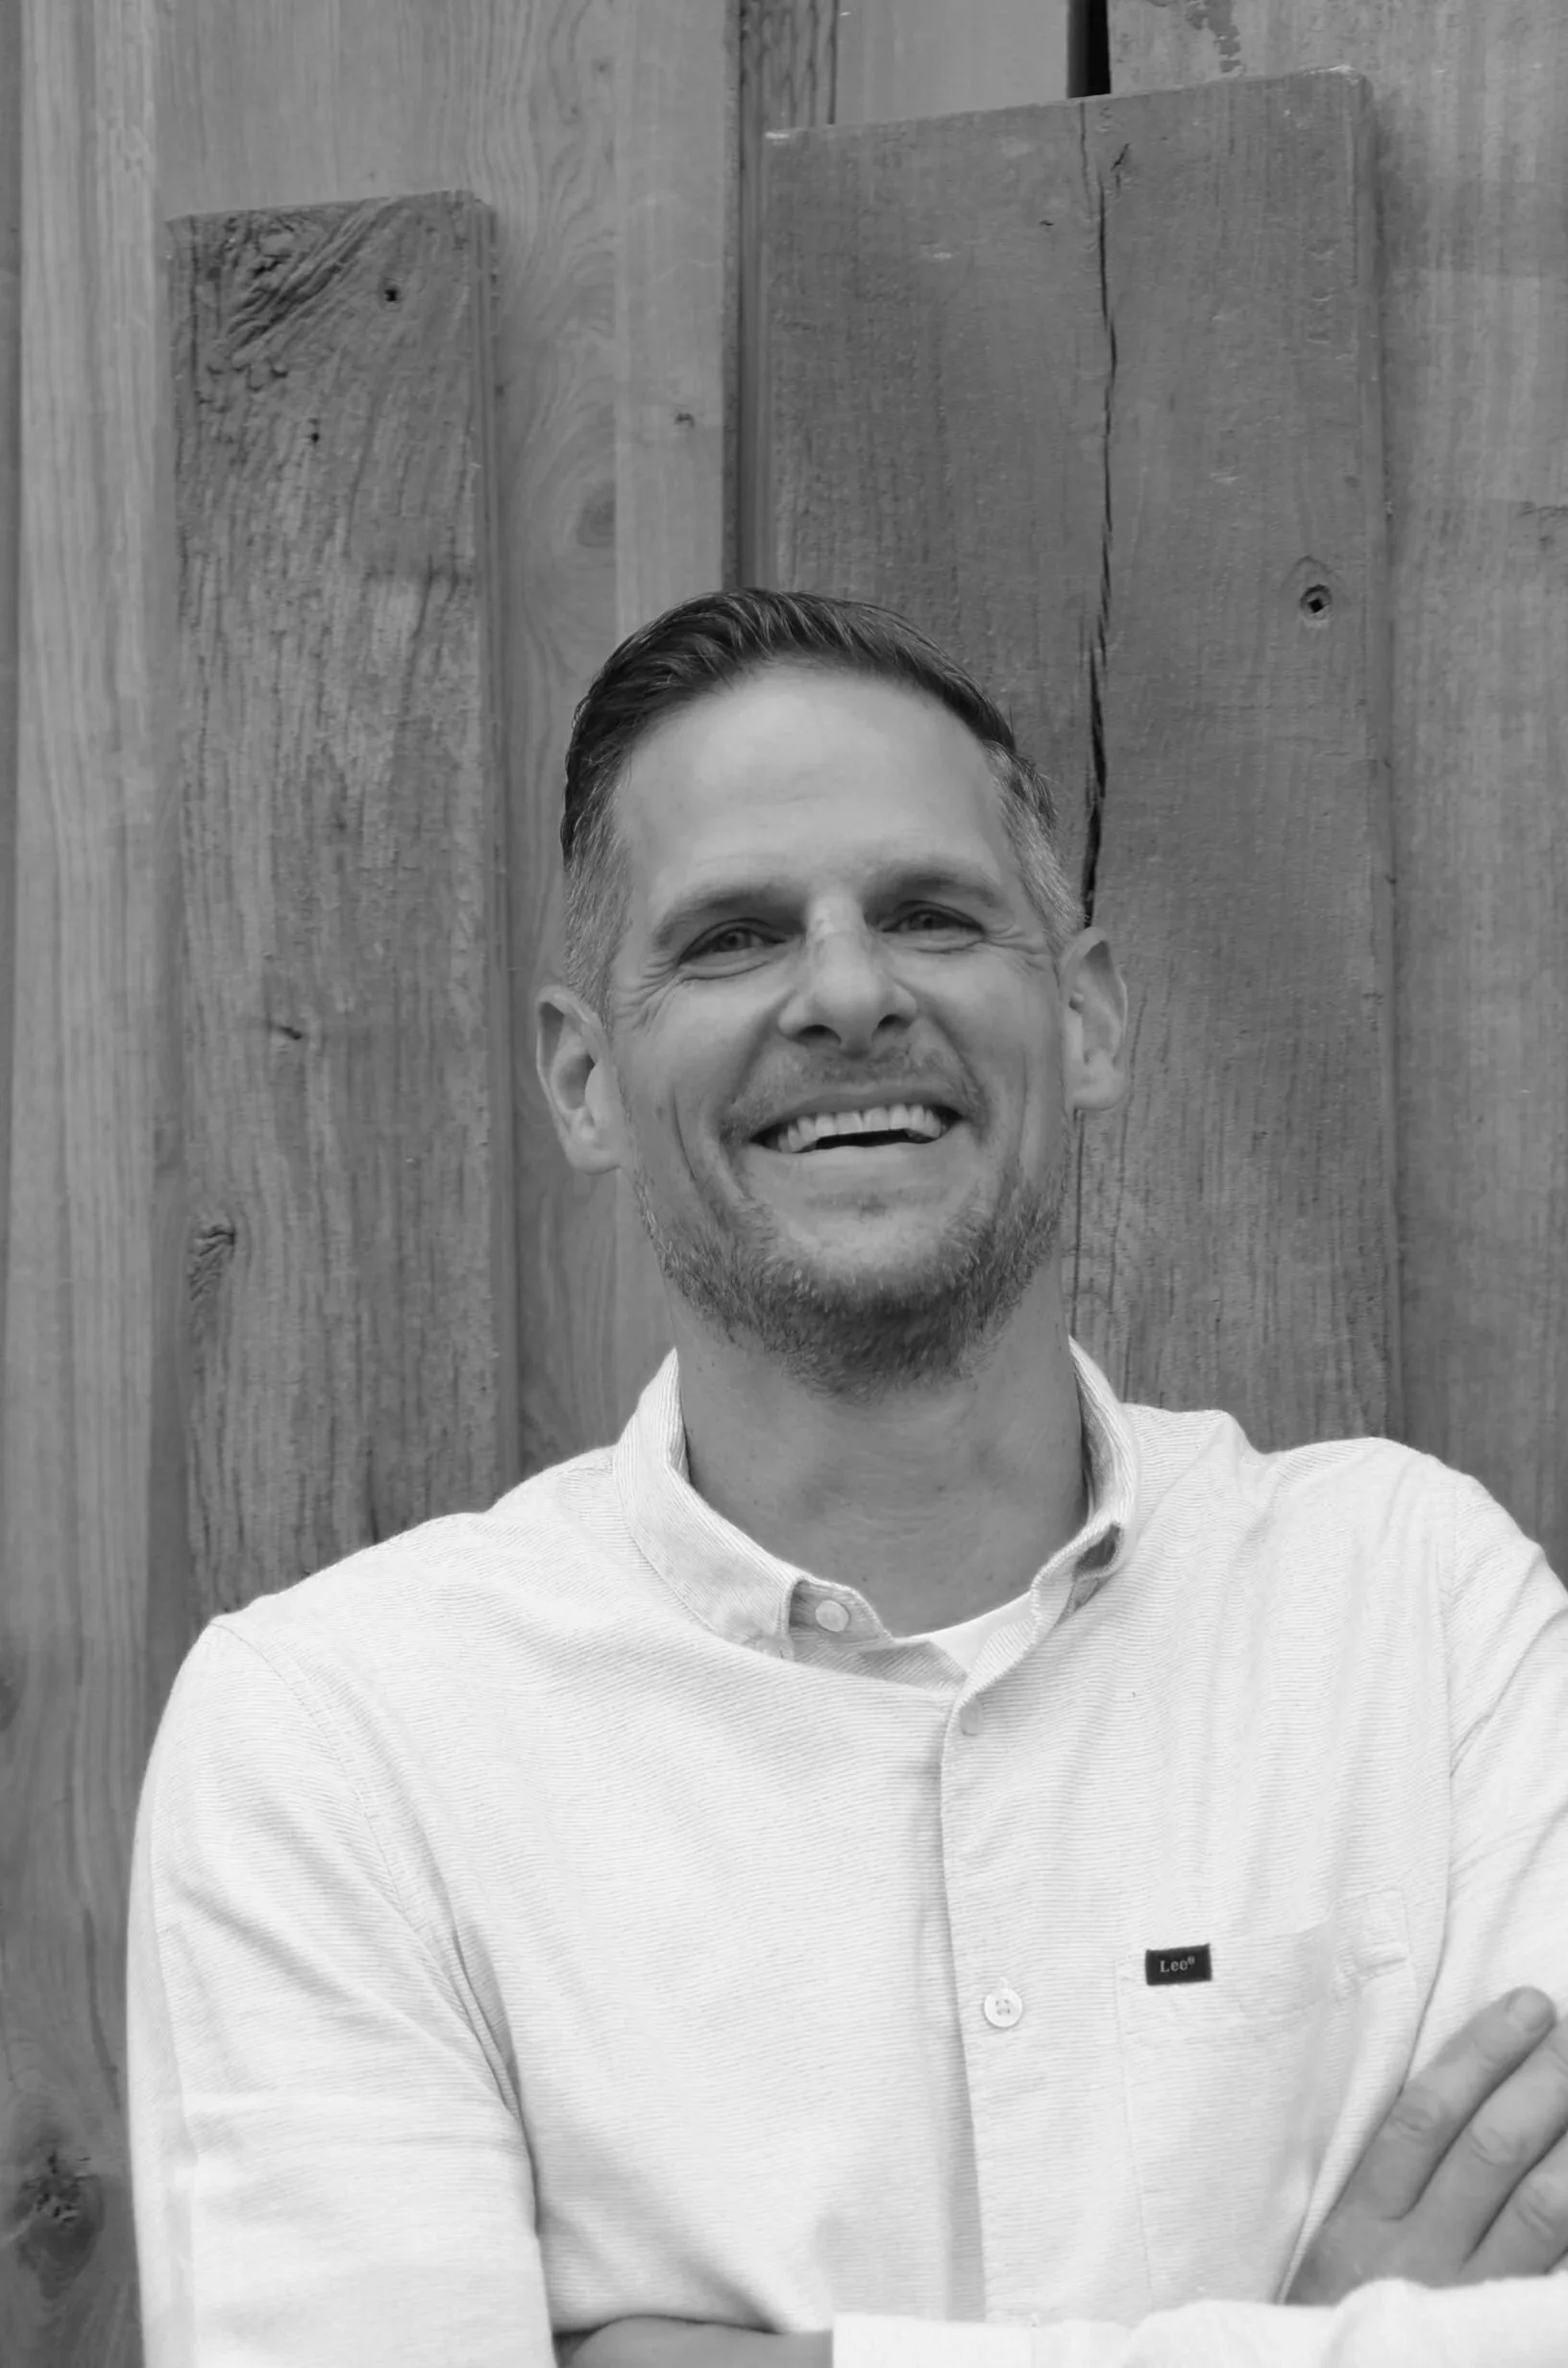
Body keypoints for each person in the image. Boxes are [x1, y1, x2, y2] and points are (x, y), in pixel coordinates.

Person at [127, 590, 1568, 2366]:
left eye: (929, 914)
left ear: (1092, 1023)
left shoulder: (1416, 1614)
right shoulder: (338, 1743)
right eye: (733, 937)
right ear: (585, 1080)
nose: (846, 991)